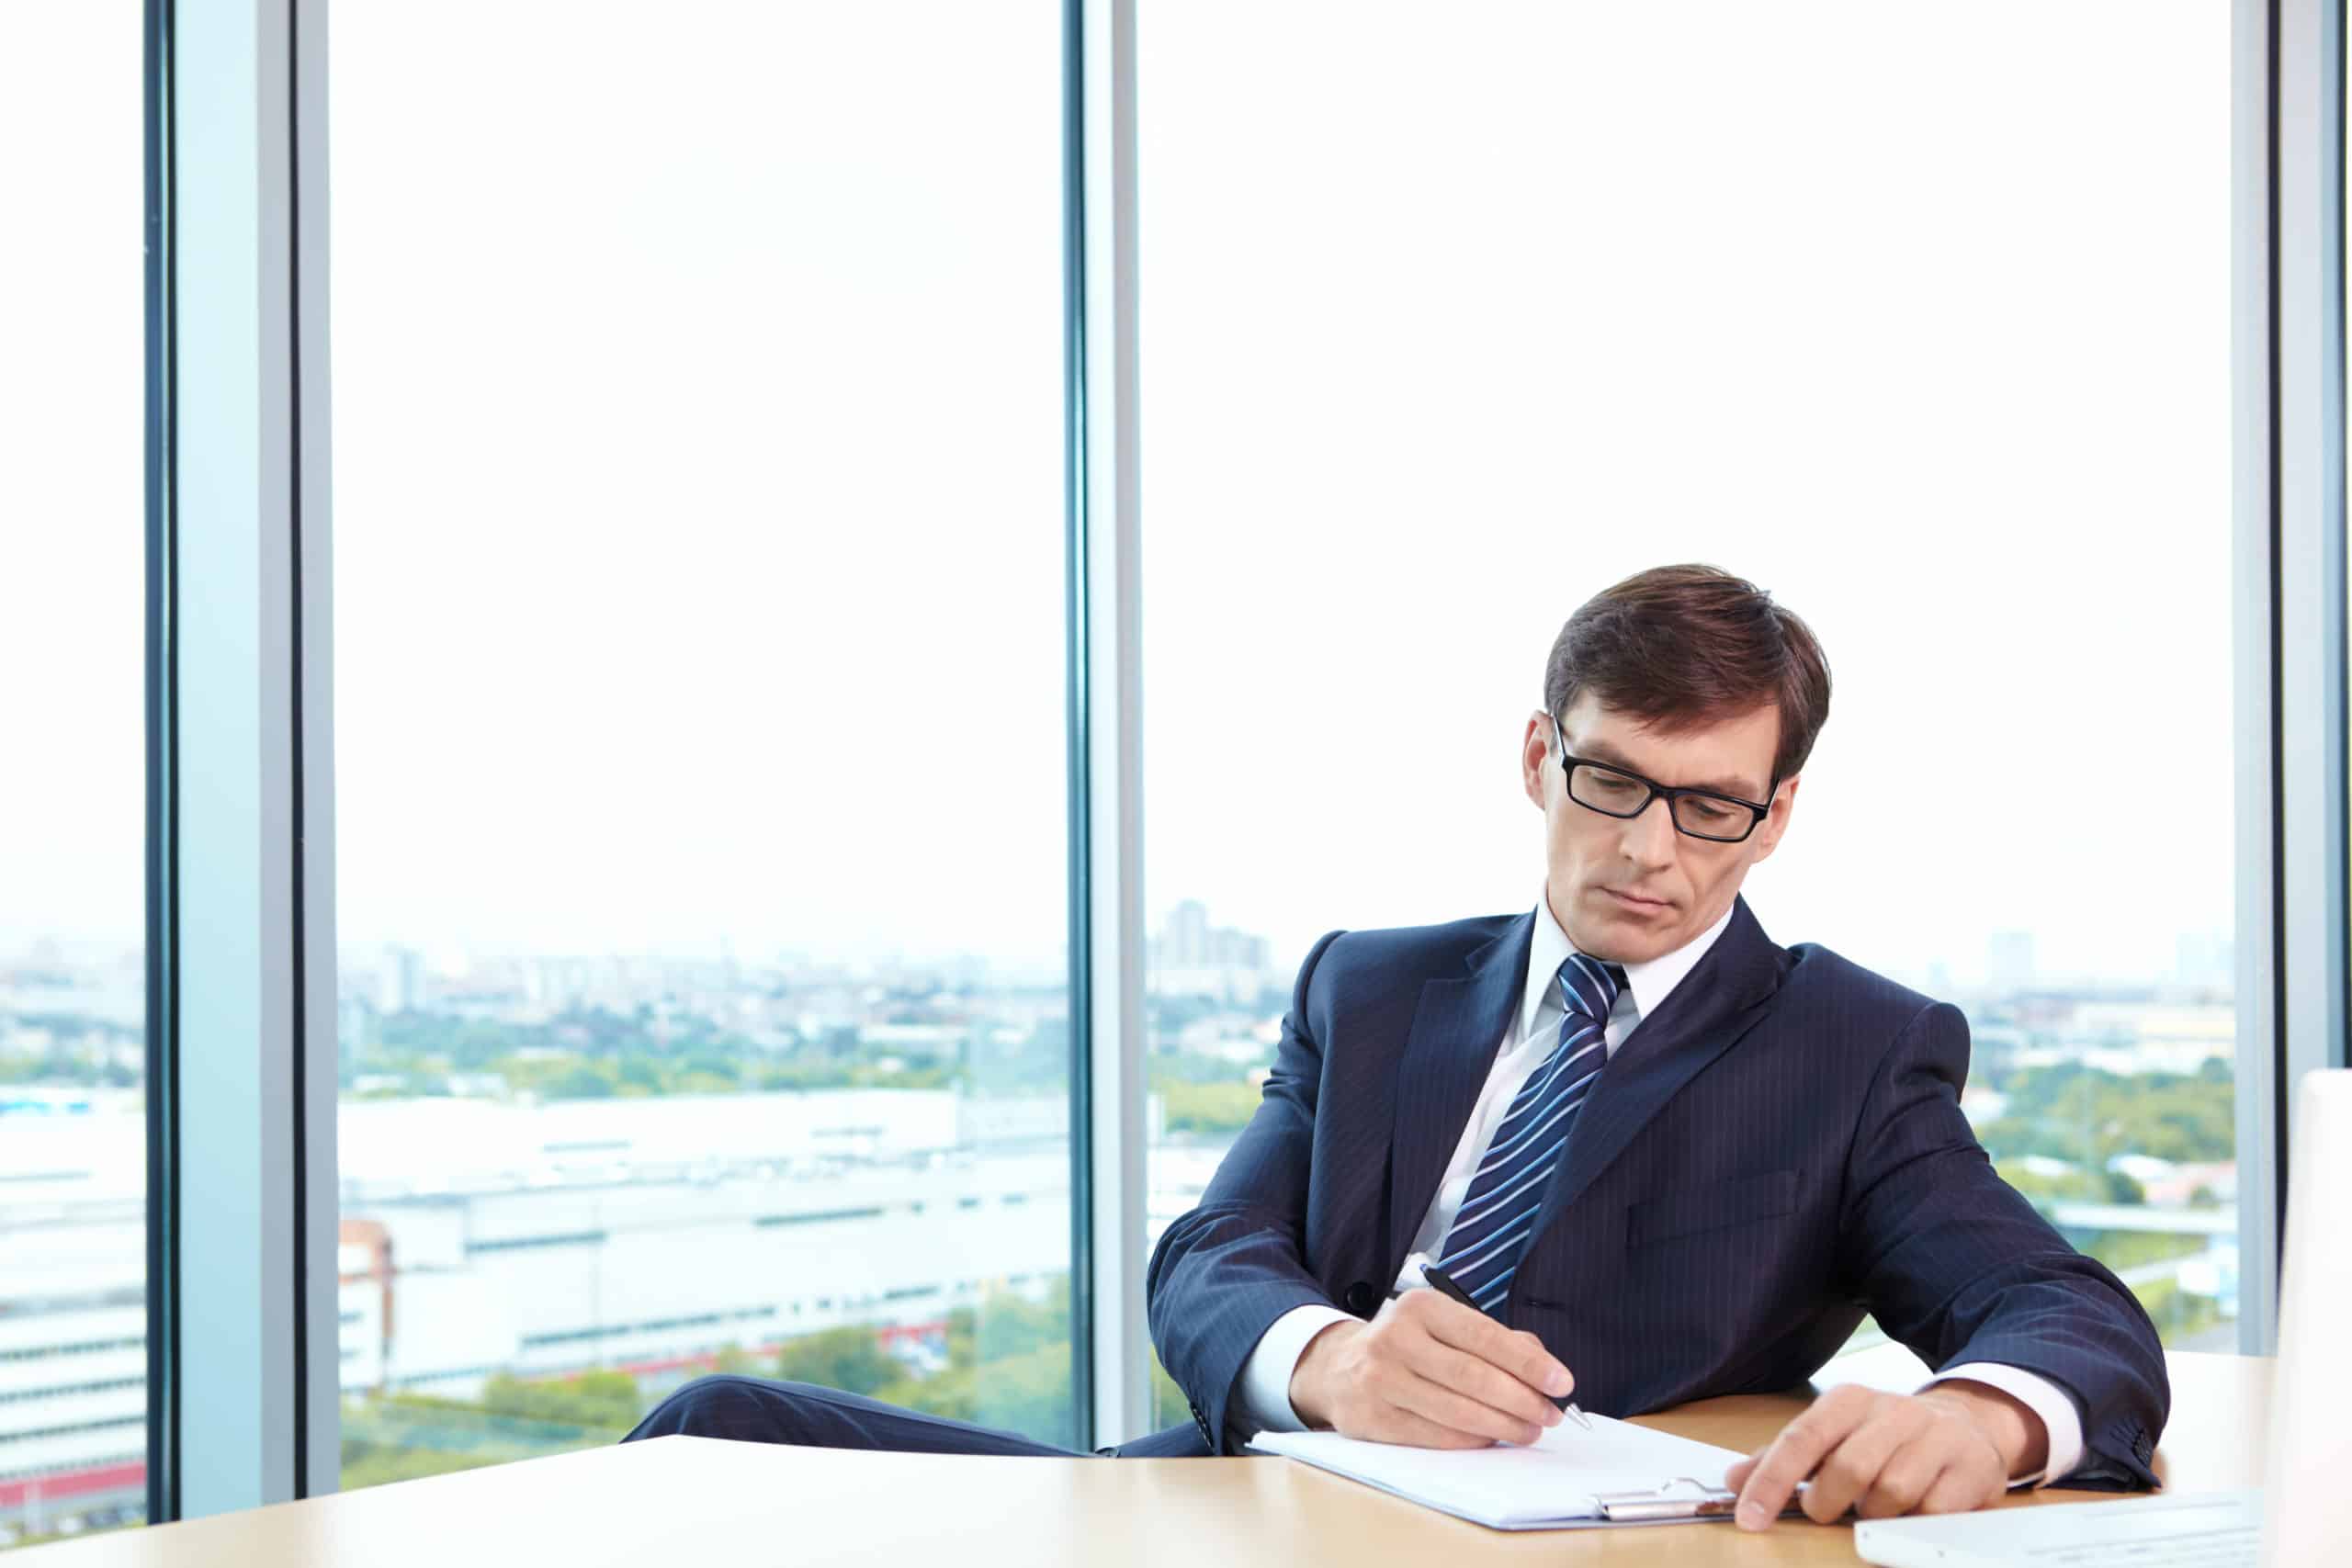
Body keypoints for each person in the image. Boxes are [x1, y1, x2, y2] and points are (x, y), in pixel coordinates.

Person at [628, 564, 2167, 1529]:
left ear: (1774, 820)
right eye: (1613, 783)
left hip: (1548, 1540)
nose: (1652, 851)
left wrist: (1981, 1414)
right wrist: (1338, 1363)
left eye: (1713, 807)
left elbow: (2058, 1308)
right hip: (1242, 1500)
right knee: (708, 1432)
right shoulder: (1371, 987)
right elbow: (1212, 1256)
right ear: (1535, 756)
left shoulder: (1855, 1047)